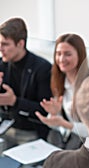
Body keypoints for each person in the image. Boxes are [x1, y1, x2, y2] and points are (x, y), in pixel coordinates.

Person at [0, 17, 52, 148]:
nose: (1, 49)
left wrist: (14, 102)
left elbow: (45, 111)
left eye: (5, 44)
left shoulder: (42, 68)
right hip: (5, 129)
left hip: (30, 132)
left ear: (20, 44)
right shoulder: (1, 65)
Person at [35, 33, 89, 149]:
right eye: (58, 54)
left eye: (68, 54)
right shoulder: (60, 83)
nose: (61, 59)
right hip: (69, 145)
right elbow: (59, 127)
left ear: (80, 55)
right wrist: (55, 114)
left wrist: (64, 123)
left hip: (87, 149)